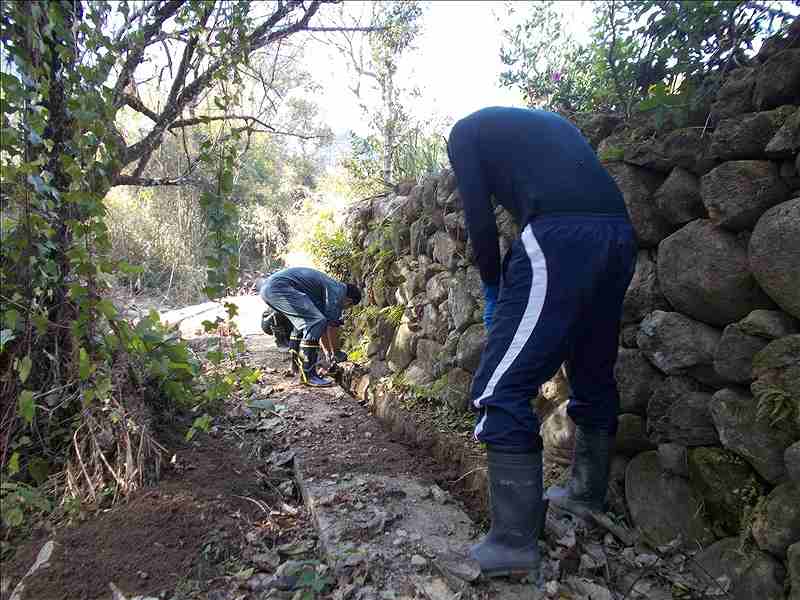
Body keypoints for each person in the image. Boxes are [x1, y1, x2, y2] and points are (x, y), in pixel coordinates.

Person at [447, 107, 636, 579]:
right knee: (592, 369)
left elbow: (479, 219)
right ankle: (585, 495)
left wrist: (492, 285)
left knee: (500, 386)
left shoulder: (464, 134)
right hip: (618, 235)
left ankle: (512, 542)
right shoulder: (551, 127)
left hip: (559, 235)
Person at [259, 267, 362, 387]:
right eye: (348, 306)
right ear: (349, 301)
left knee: (302, 325)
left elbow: (323, 328)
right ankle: (308, 375)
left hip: (270, 289)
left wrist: (328, 354)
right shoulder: (337, 293)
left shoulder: (328, 288)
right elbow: (331, 327)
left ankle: (296, 368)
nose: (345, 309)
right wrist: (337, 353)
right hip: (279, 288)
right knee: (315, 321)